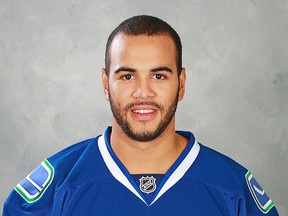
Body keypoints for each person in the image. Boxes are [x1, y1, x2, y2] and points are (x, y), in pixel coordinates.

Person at [3, 15, 278, 216]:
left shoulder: (234, 190)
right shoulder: (56, 187)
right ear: (105, 83)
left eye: (159, 75)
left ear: (181, 84)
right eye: (127, 76)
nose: (142, 92)